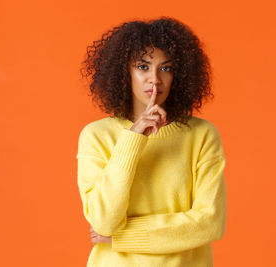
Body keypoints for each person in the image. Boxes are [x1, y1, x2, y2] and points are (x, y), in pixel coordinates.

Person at [77, 16, 227, 267]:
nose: (155, 79)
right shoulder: (96, 136)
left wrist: (124, 237)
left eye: (166, 68)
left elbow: (210, 222)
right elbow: (104, 222)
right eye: (143, 67)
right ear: (124, 71)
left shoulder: (202, 135)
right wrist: (133, 138)